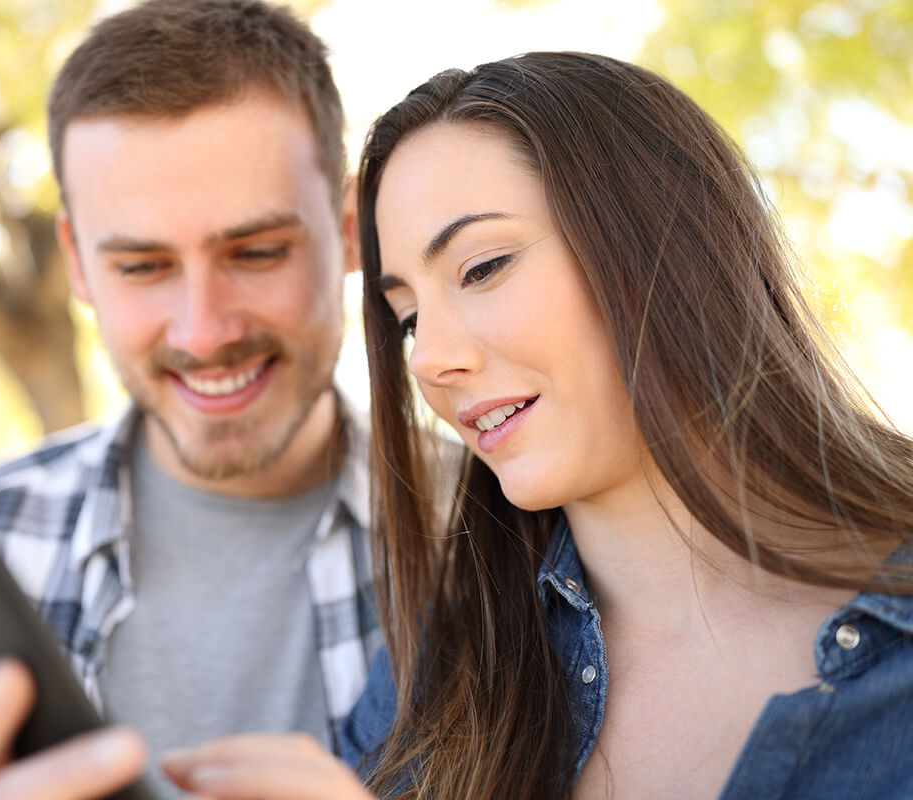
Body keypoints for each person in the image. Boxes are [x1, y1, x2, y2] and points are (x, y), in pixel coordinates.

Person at [157, 52, 913, 799]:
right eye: (409, 319)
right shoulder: (445, 667)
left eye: (482, 268)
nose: (429, 362)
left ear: (666, 245)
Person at [0, 2, 387, 798]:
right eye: (142, 266)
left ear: (349, 227)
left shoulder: (506, 546)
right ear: (76, 264)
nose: (204, 332)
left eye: (258, 251)